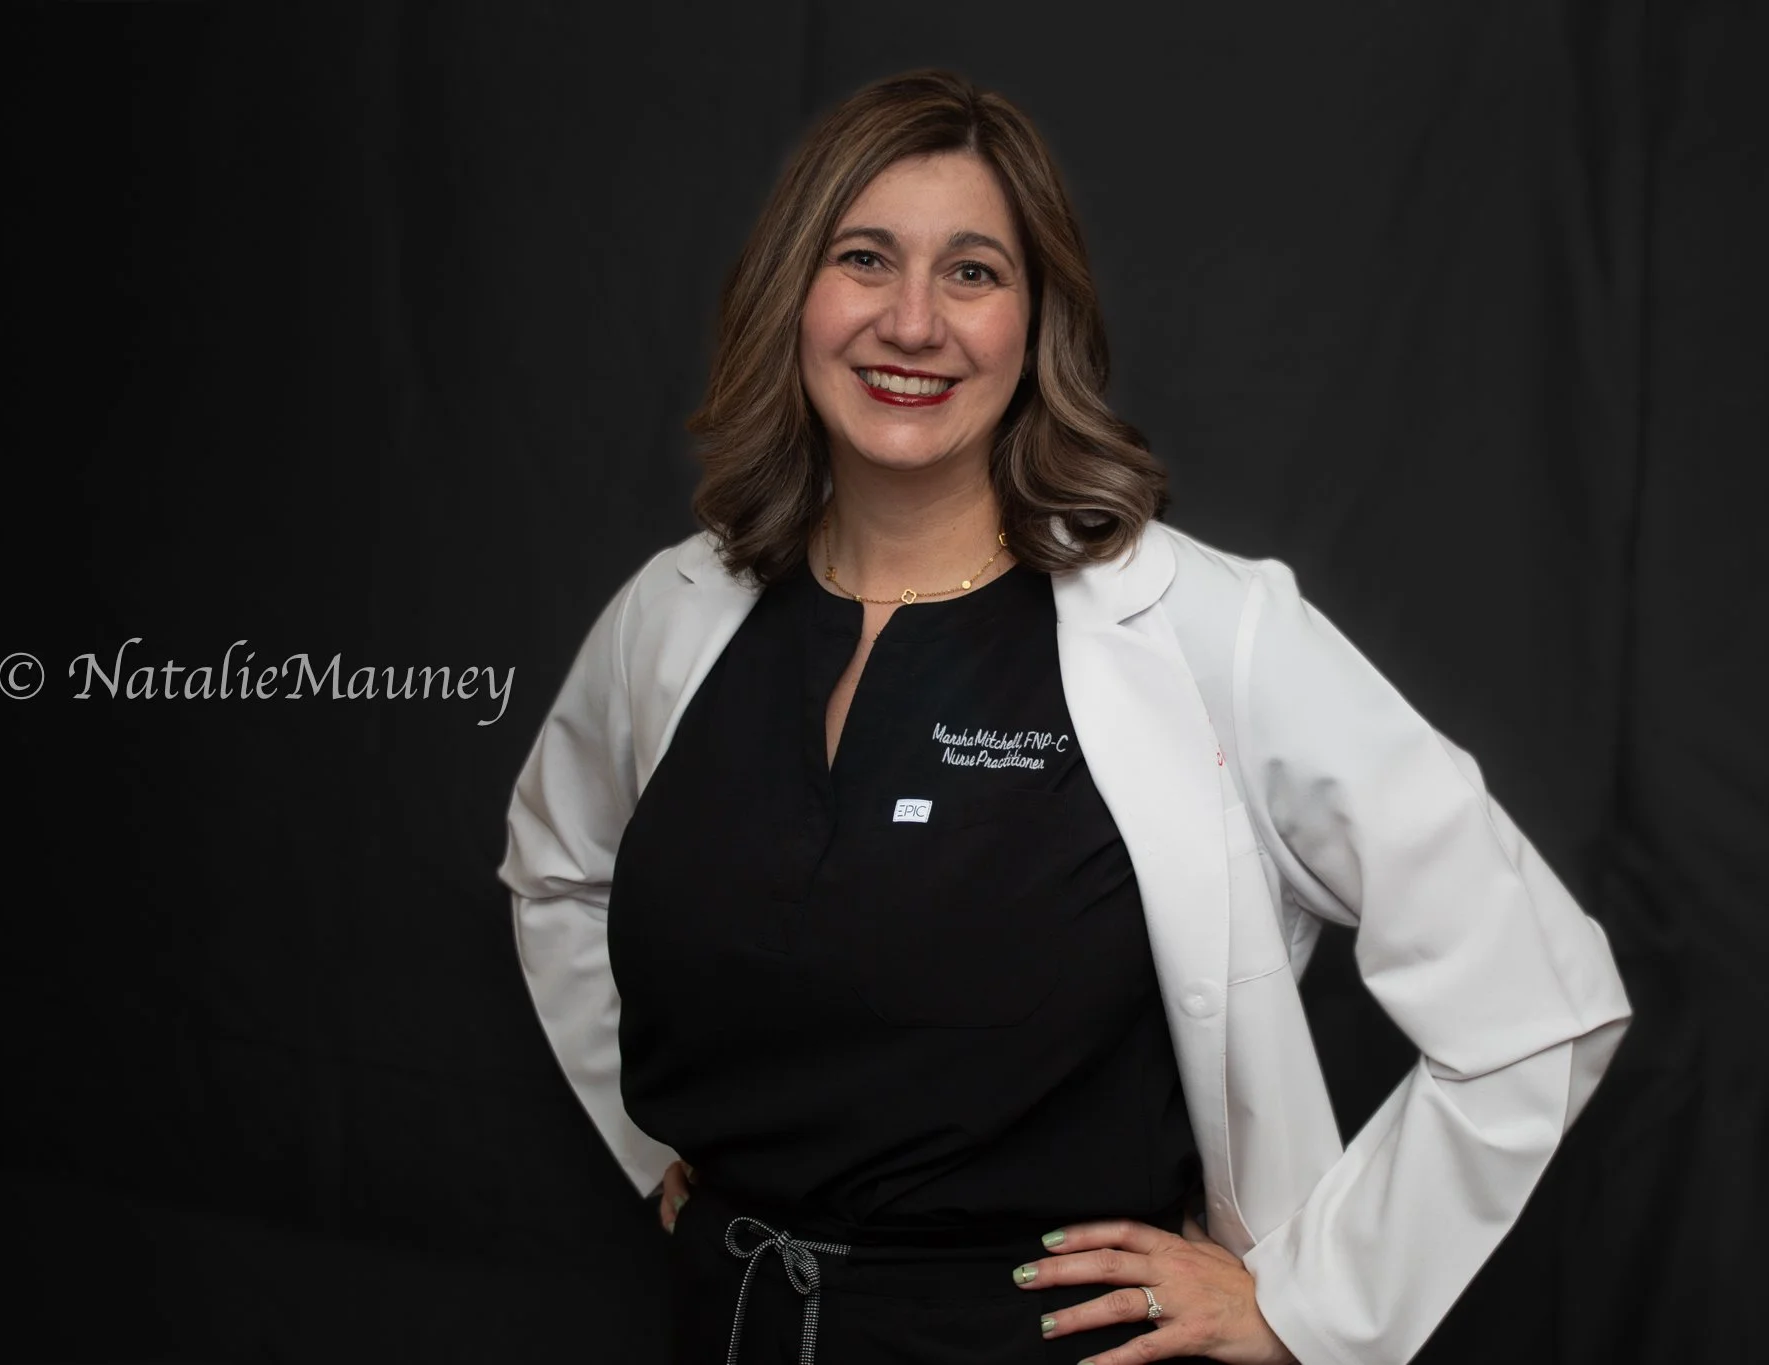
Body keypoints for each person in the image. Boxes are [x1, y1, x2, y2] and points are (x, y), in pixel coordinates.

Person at [499, 68, 1631, 1365]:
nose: (912, 321)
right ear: (792, 297)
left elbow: (1537, 997)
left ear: (1037, 323)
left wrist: (1311, 1303)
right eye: (865, 258)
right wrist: (657, 1145)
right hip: (734, 1322)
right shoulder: (678, 610)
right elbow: (556, 871)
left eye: (973, 273)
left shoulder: (1199, 627)